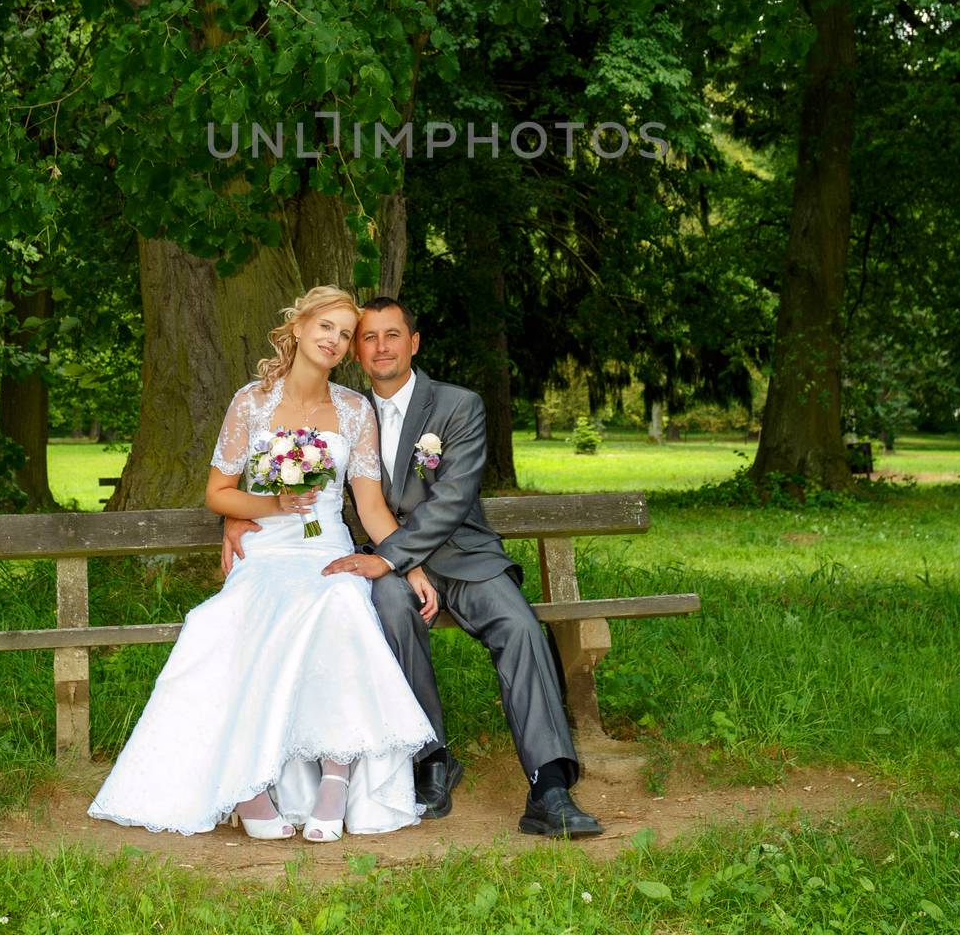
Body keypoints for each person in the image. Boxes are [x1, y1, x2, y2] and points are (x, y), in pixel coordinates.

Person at [224, 296, 603, 839]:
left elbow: (451, 501)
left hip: (461, 557)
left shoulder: (457, 406)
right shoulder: (343, 408)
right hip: (385, 566)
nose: (380, 346)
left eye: (392, 335)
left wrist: (389, 557)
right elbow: (278, 479)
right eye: (369, 337)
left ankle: (549, 786)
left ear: (414, 342)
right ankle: (431, 759)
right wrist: (236, 520)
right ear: (356, 350)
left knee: (519, 628)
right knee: (389, 610)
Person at [88, 286, 438, 841]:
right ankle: (247, 789)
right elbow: (218, 492)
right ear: (297, 328)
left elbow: (370, 508)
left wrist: (407, 564)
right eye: (326, 326)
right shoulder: (249, 403)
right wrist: (270, 504)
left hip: (325, 552)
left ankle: (335, 782)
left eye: (345, 334)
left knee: (344, 602)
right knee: (223, 623)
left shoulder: (353, 411)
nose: (335, 339)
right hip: (267, 553)